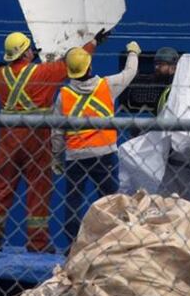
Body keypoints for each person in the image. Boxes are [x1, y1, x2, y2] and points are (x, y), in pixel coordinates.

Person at [0, 29, 107, 252]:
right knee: (38, 189)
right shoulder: (43, 73)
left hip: (8, 137)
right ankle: (37, 243)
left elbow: (22, 78)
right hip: (36, 137)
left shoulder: (1, 74)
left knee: (1, 188)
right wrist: (93, 42)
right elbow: (71, 62)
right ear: (26, 53)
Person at [57, 40, 141, 246]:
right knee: (110, 199)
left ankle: (72, 244)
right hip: (104, 154)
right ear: (90, 67)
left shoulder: (64, 95)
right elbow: (129, 73)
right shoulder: (106, 86)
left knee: (74, 200)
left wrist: (57, 157)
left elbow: (57, 131)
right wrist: (132, 53)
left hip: (76, 155)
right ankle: (112, 241)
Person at [153, 47, 179, 114]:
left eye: (161, 64)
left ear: (173, 67)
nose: (156, 67)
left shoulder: (175, 90)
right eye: (156, 64)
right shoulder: (166, 87)